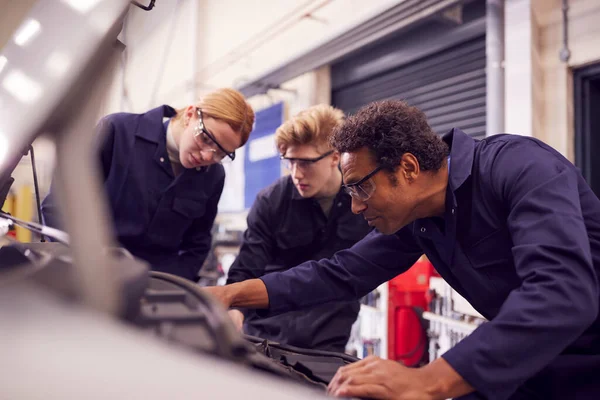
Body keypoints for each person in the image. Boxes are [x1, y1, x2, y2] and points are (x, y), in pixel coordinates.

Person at [204, 99, 600, 400]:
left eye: (361, 186)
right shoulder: (420, 219)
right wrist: (230, 294)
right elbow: (342, 272)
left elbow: (561, 292)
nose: (356, 206)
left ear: (408, 168)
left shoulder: (520, 168)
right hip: (532, 359)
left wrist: (428, 379)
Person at [42, 88, 255, 282]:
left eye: (221, 153)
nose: (208, 155)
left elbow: (197, 244)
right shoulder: (118, 132)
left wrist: (172, 283)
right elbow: (60, 204)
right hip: (89, 276)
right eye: (207, 139)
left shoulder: (212, 176)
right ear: (190, 115)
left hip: (155, 290)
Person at [226, 104, 371, 352]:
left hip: (329, 340)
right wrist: (234, 311)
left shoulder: (364, 201)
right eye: (290, 162)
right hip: (267, 335)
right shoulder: (271, 201)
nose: (296, 174)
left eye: (305, 163)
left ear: (335, 157)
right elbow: (247, 266)